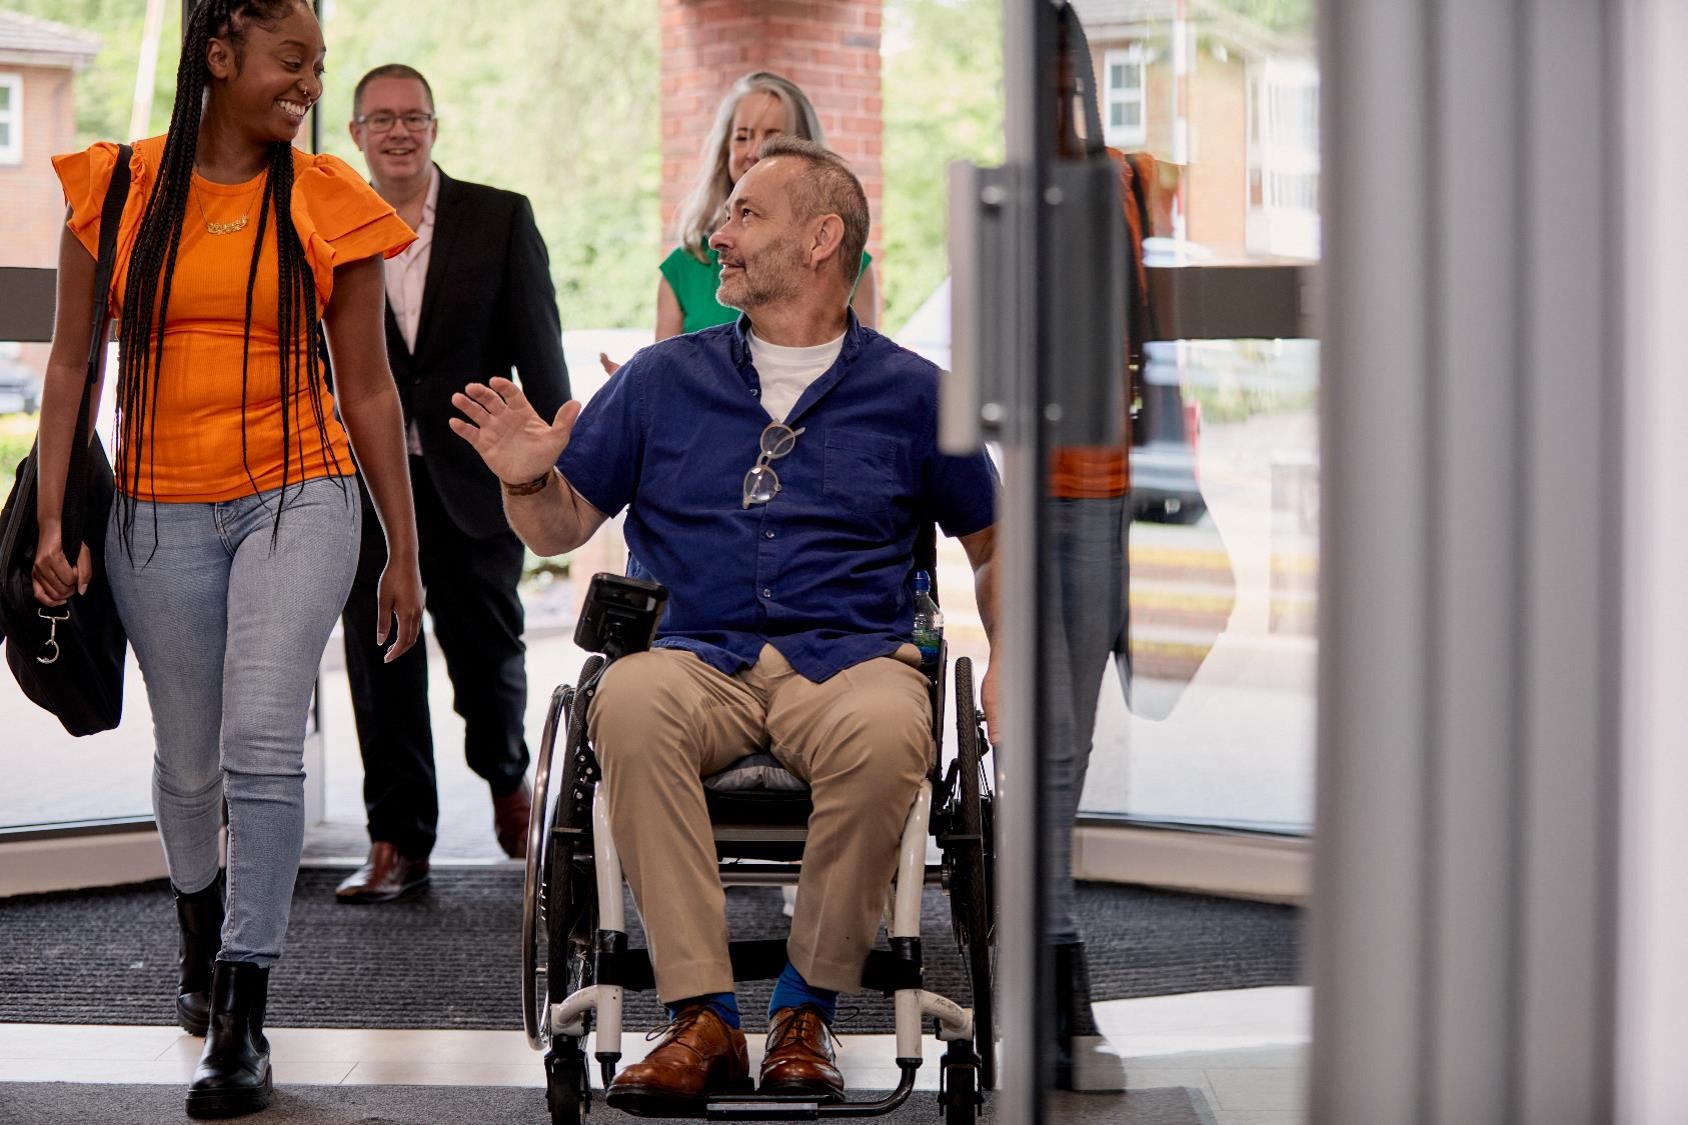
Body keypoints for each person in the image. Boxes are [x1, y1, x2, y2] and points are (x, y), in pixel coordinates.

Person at [451, 136, 998, 1112]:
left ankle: (802, 1014)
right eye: (726, 214)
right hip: (693, 653)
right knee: (627, 699)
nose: (718, 234)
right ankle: (701, 1016)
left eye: (746, 214)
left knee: (890, 728)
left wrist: (1005, 667)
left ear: (822, 237)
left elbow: (994, 544)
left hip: (850, 657)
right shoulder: (660, 381)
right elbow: (562, 522)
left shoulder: (916, 394)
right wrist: (525, 474)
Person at [32, 0, 421, 1116]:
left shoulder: (327, 201)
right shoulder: (116, 189)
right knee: (190, 762)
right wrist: (56, 517)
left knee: (262, 737)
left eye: (318, 65)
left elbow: (369, 389)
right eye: (289, 60)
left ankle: (244, 1008)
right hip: (156, 506)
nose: (307, 83)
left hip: (300, 491)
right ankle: (200, 929)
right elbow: (70, 369)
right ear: (218, 55)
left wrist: (403, 548)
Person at [331, 64, 570, 904]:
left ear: (434, 126)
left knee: (491, 659)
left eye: (414, 117)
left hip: (473, 481)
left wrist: (545, 466)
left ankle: (511, 784)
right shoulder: (325, 223)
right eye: (380, 119)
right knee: (380, 665)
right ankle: (398, 840)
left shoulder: (499, 218)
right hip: (363, 488)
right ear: (354, 132)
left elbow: (539, 355)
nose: (398, 132)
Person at [597, 71, 877, 376]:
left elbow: (863, 378)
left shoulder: (852, 265)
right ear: (724, 150)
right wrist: (638, 392)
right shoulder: (682, 268)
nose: (754, 152)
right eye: (742, 137)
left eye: (774, 139)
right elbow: (666, 382)